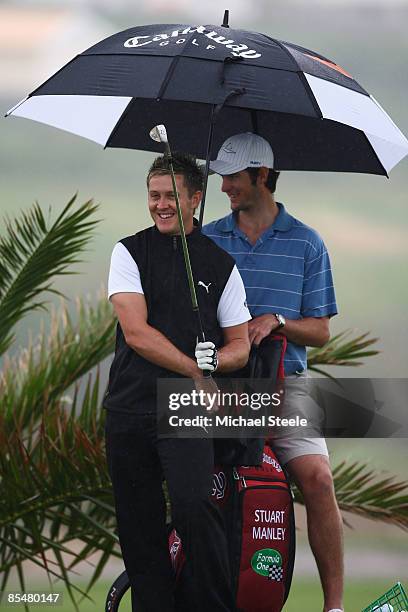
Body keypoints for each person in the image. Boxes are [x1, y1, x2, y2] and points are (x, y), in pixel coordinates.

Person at [103, 152, 251, 612]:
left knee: (194, 508)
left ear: (194, 200)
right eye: (154, 195)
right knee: (139, 526)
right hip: (129, 406)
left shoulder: (219, 265)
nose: (160, 205)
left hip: (185, 407)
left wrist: (217, 361)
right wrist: (193, 366)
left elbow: (241, 344)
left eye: (170, 196)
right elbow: (137, 332)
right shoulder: (128, 251)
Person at [203, 132, 344, 612]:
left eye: (233, 177)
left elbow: (321, 331)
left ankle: (334, 607)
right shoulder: (207, 238)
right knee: (199, 485)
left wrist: (278, 321)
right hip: (222, 387)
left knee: (319, 480)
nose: (223, 187)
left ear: (262, 177)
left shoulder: (307, 243)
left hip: (288, 386)